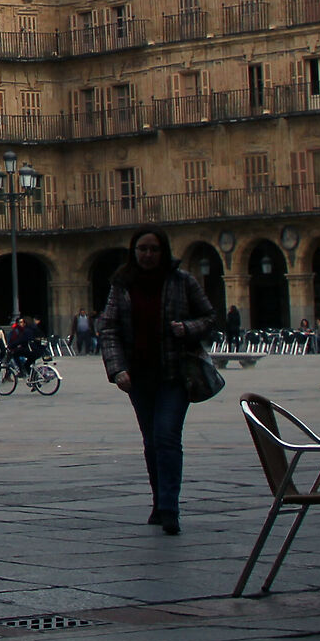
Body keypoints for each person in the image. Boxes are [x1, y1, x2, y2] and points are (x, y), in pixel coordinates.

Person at [97, 225, 215, 535]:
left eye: (153, 249)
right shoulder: (121, 285)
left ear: (163, 251)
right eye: (142, 249)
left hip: (175, 374)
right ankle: (158, 500)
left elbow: (210, 317)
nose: (148, 255)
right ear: (133, 252)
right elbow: (108, 329)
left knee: (166, 437)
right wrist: (116, 369)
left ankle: (169, 508)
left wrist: (187, 329)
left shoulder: (182, 281)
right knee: (151, 443)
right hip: (138, 377)